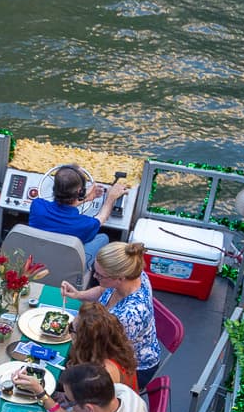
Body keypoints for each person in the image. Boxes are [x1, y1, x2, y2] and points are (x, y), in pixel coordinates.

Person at [60, 241, 162, 387]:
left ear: (120, 278)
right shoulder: (131, 274)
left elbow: (102, 355)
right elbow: (104, 290)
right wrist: (78, 294)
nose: (94, 276)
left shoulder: (129, 317)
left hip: (127, 368)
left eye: (100, 275)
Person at [25, 165, 129, 264]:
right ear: (80, 191)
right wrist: (111, 197)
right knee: (104, 238)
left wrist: (85, 198)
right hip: (67, 264)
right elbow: (102, 217)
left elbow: (63, 207)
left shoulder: (37, 205)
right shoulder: (85, 225)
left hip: (38, 259)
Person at [64, 302, 140, 395]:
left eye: (71, 328)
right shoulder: (116, 349)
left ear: (85, 342)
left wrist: (43, 395)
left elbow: (86, 408)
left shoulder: (100, 376)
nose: (69, 333)